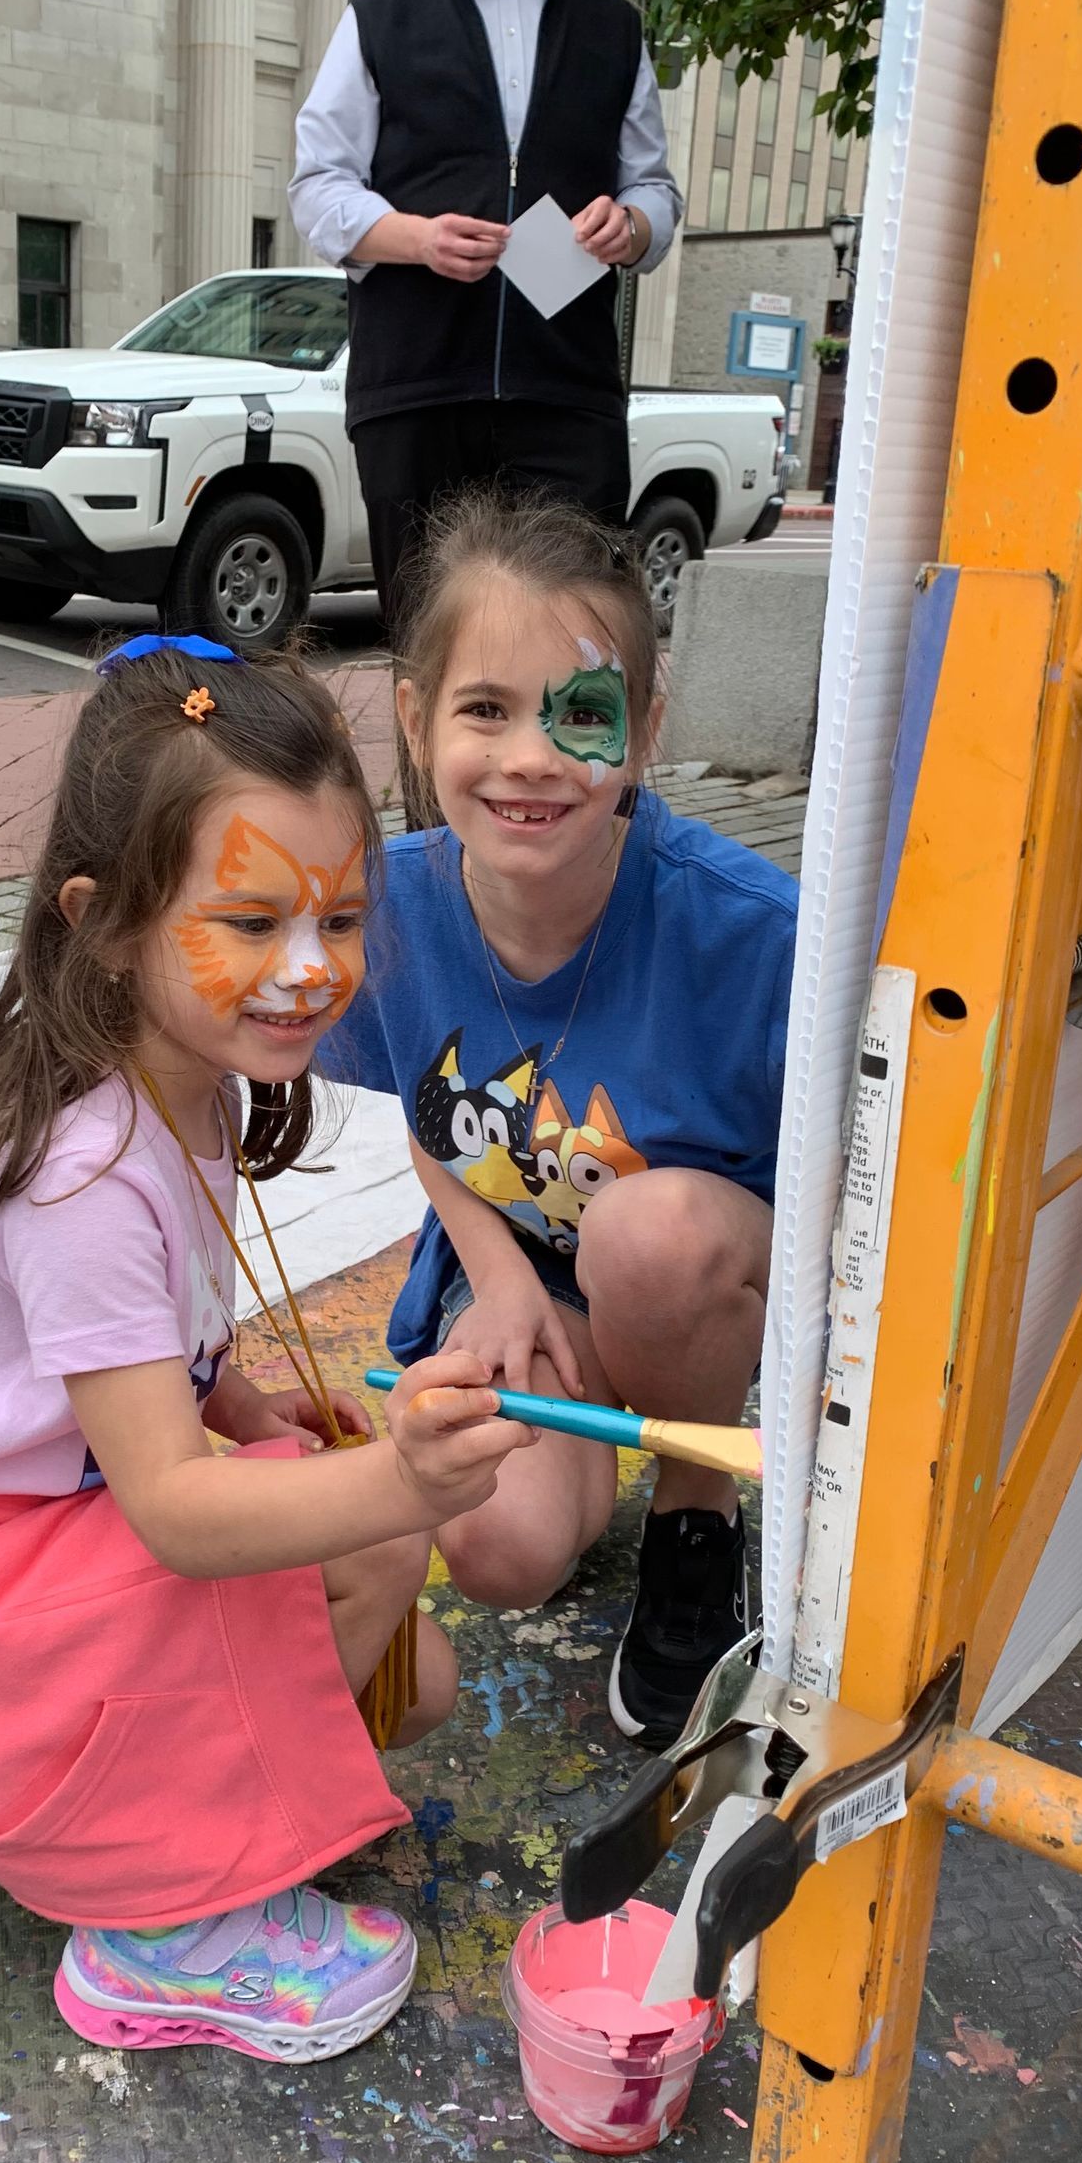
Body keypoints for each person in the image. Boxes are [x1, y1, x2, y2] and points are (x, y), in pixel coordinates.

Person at [0, 635, 531, 2063]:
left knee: (411, 1681)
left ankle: (136, 1798)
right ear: (106, 919)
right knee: (377, 1553)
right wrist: (404, 1486)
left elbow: (167, 1368)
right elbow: (180, 1508)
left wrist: (263, 1408)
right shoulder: (84, 1174)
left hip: (24, 1531)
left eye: (338, 918)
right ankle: (156, 1933)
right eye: (252, 922)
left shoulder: (182, 1078)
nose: (311, 970)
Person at [324, 493, 798, 1753]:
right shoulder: (392, 910)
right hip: (535, 1276)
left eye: (577, 712)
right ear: (417, 721)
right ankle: (593, 1437)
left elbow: (870, 1172)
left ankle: (697, 1504)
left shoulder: (755, 935)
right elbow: (434, 1103)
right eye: (486, 708)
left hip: (696, 1273)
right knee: (495, 1547)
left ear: (642, 732)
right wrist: (493, 1272)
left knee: (650, 1236)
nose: (531, 756)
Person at [289, 0, 683, 630]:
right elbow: (316, 185)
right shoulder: (381, 14)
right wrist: (415, 238)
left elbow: (655, 189)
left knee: (579, 649)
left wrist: (631, 225)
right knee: (431, 663)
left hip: (566, 397)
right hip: (416, 396)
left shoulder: (612, 28)